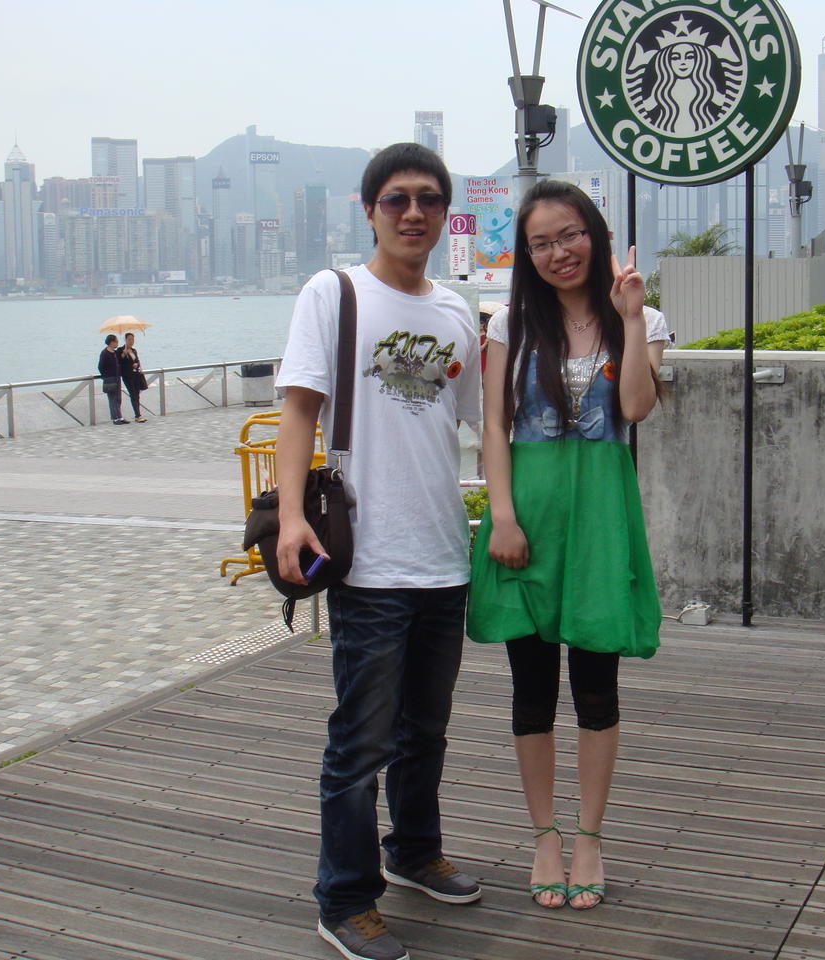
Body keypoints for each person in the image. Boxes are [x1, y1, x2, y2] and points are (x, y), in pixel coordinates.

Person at [274, 142, 483, 960]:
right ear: (369, 210)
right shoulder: (333, 293)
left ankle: (414, 850)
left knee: (427, 729)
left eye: (429, 199)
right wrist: (292, 518)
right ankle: (345, 898)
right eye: (396, 199)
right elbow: (299, 410)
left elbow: (477, 423)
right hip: (368, 559)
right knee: (360, 741)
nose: (413, 213)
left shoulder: (457, 311)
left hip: (444, 553)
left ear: (444, 213)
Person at [467, 180, 668, 912]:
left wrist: (632, 318)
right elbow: (494, 427)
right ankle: (544, 835)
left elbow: (636, 408)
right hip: (529, 511)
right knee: (531, 688)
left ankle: (589, 837)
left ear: (596, 234)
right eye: (542, 242)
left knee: (595, 685)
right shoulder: (510, 325)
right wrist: (503, 518)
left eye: (571, 234)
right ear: (526, 255)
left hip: (600, 517)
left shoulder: (641, 317)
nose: (559, 252)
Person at [117, 332, 147, 422]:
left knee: (137, 395)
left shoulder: (134, 350)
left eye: (132, 339)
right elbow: (119, 361)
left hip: (136, 375)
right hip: (127, 376)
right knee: (133, 394)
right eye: (129, 339)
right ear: (125, 340)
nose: (131, 341)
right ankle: (138, 415)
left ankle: (138, 414)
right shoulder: (120, 350)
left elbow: (137, 361)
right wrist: (123, 354)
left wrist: (136, 365)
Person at [97, 334, 127, 425]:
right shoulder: (105, 353)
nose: (117, 343)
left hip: (117, 378)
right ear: (111, 342)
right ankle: (115, 418)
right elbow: (100, 367)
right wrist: (106, 377)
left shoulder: (115, 353)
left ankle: (120, 416)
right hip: (110, 379)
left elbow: (120, 362)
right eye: (116, 341)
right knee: (112, 399)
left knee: (118, 398)